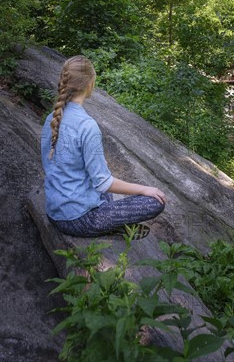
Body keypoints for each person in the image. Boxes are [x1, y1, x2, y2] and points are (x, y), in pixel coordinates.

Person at [40, 55, 166, 239]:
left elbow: (53, 162)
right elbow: (104, 182)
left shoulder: (51, 117)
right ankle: (110, 228)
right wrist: (145, 189)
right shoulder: (87, 125)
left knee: (103, 187)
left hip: (55, 211)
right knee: (155, 201)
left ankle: (111, 223)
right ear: (90, 84)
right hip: (78, 220)